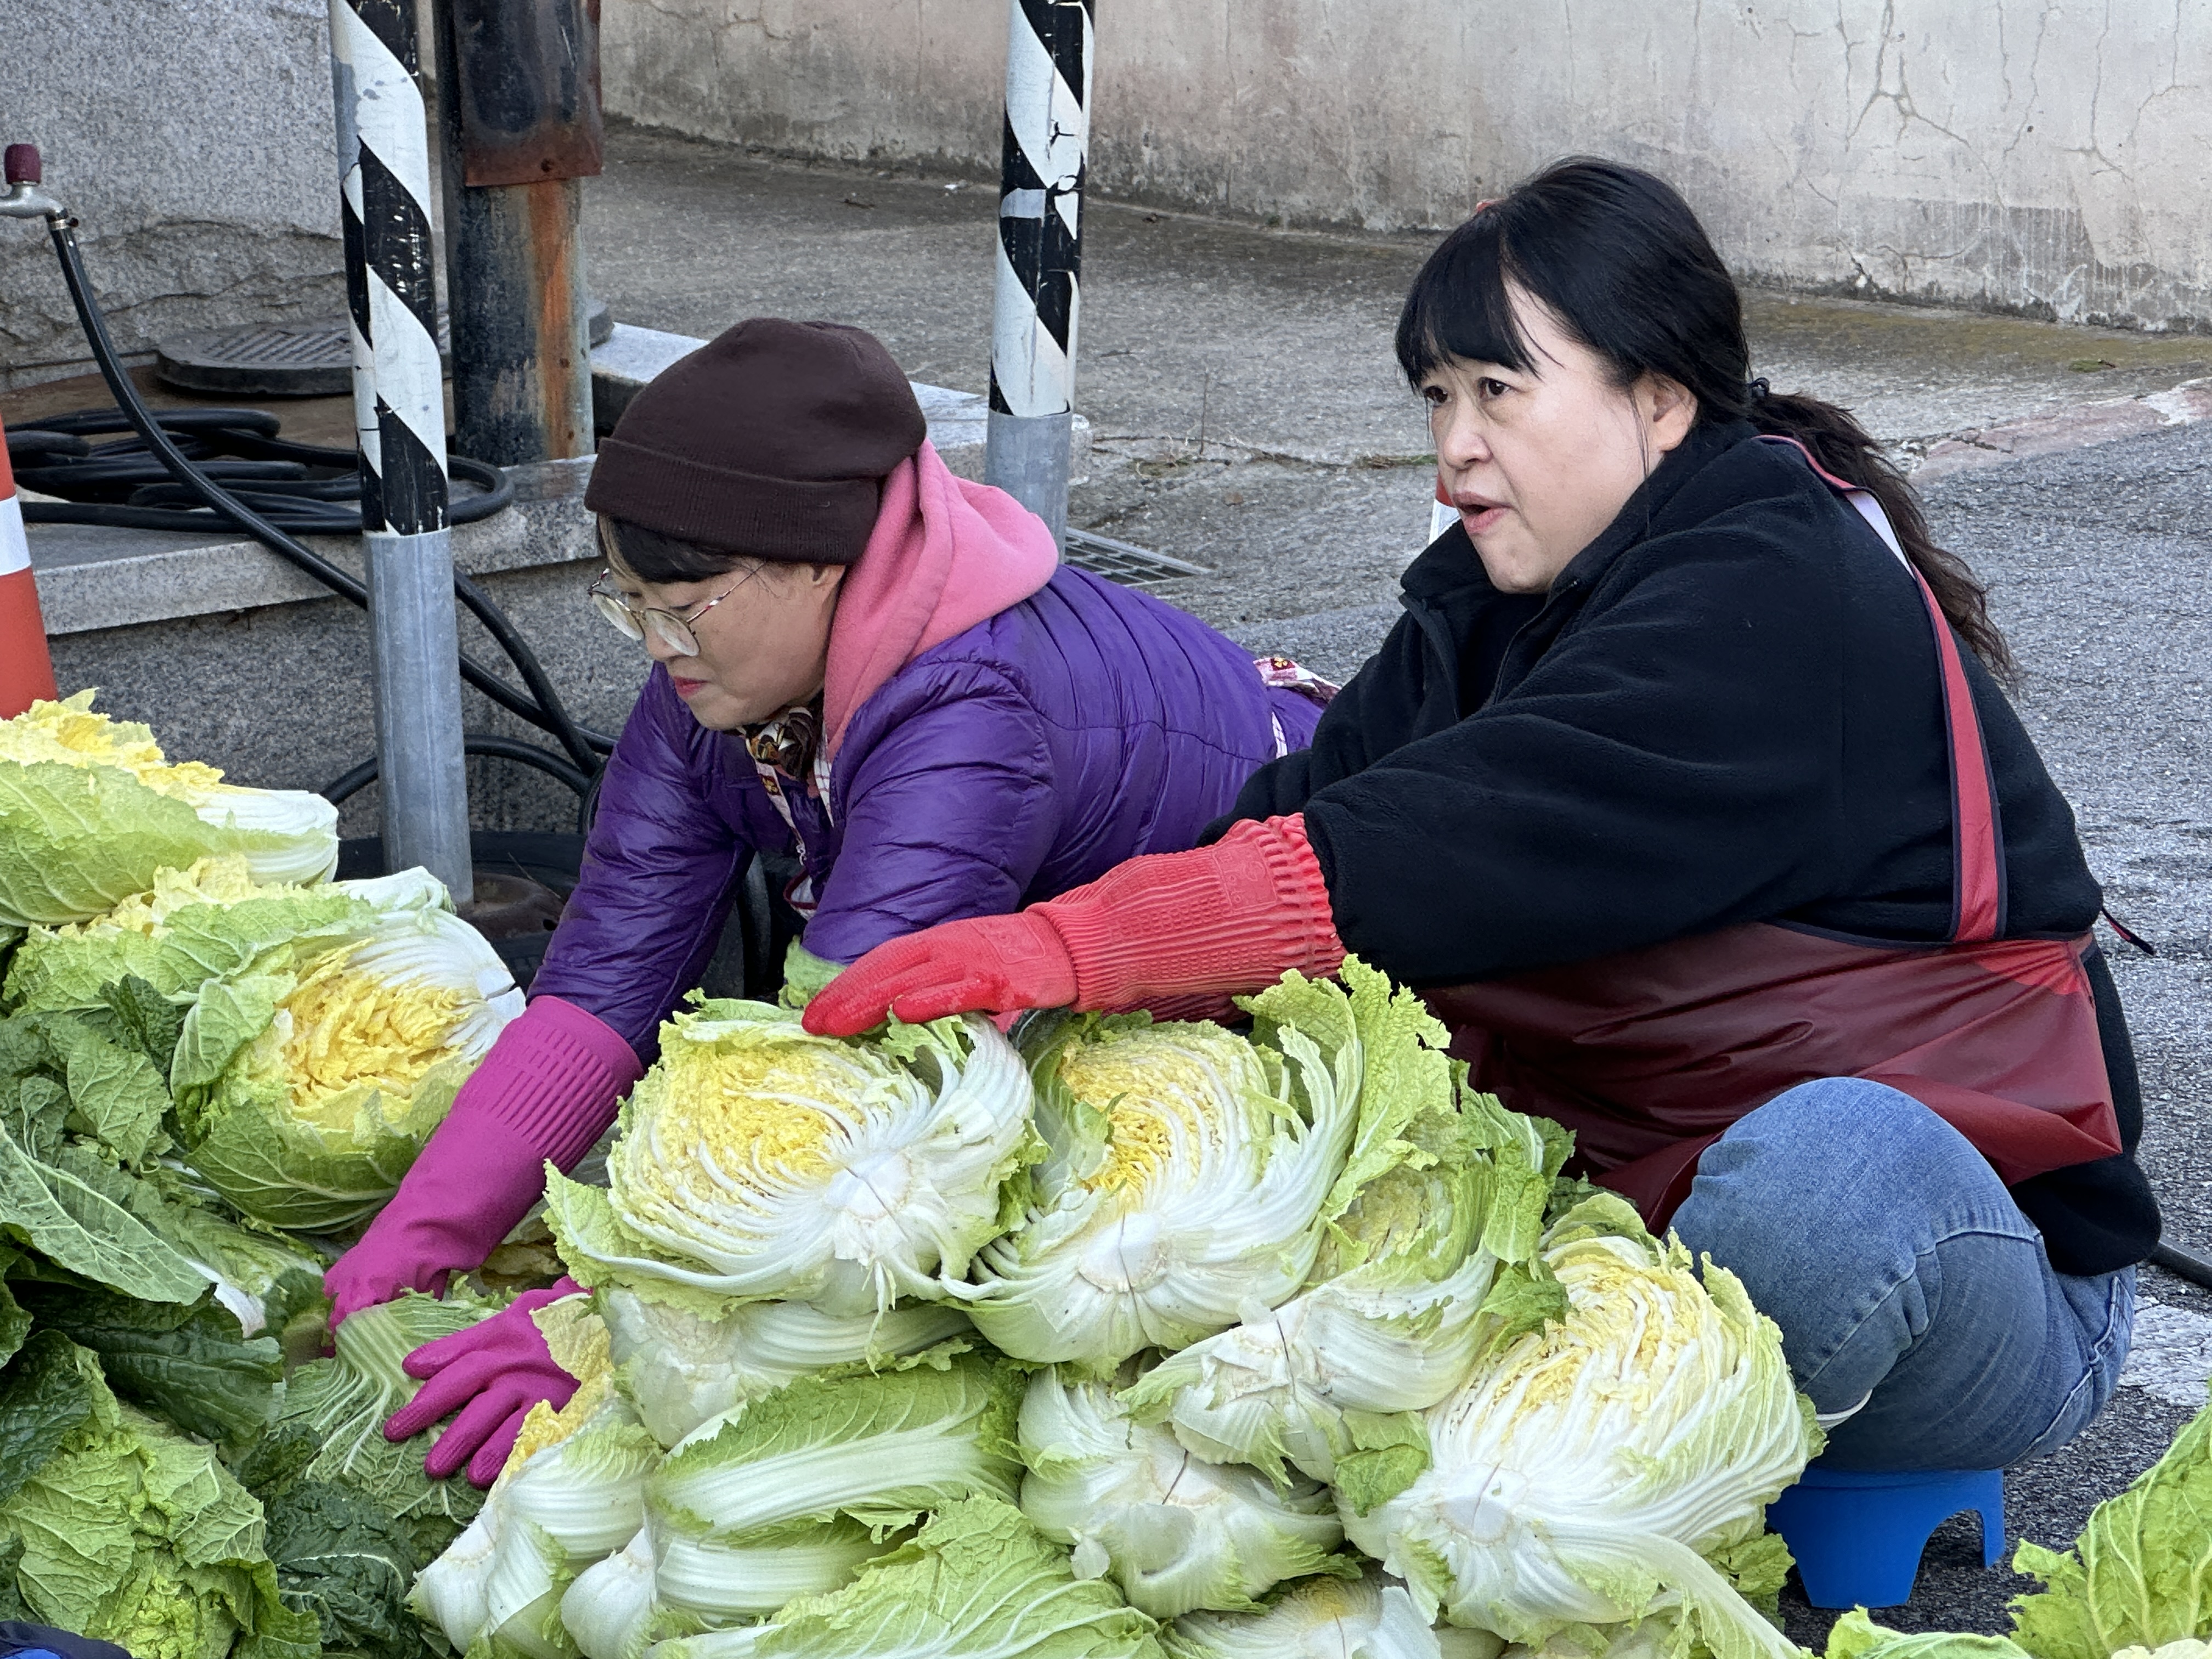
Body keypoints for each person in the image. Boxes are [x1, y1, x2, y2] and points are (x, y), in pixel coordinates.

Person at [809, 159, 2159, 1472]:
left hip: (1973, 1267)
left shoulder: (1777, 596)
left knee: (1825, 1180)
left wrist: (1082, 942)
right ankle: (1545, 1444)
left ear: (1660, 399)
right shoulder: (1489, 598)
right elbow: (1308, 810)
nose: (1456, 444)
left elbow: (1445, 843)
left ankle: (1602, 1466)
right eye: (1438, 395)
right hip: (1628, 1208)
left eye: (1500, 392)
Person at [326, 318, 1329, 1482]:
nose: (655, 644)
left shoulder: (974, 712)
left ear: (819, 562)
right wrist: (422, 1236)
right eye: (628, 603)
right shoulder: (710, 683)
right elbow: (605, 979)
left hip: (1263, 934)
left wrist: (601, 1320)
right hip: (1035, 952)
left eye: (682, 606)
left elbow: (843, 1069)